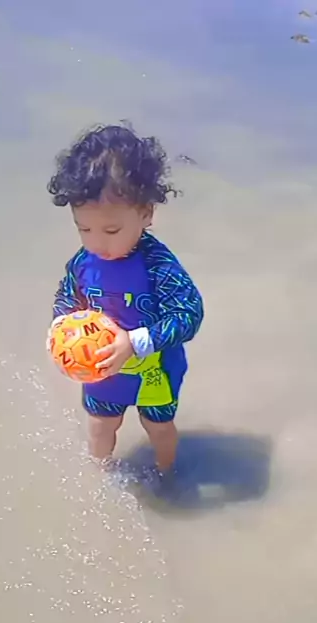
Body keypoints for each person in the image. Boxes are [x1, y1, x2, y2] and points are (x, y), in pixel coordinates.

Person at [46, 123, 204, 477]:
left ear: (146, 213)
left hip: (155, 372)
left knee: (158, 428)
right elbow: (67, 297)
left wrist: (135, 342)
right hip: (102, 371)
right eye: (84, 229)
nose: (97, 242)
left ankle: (166, 474)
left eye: (111, 230)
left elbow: (189, 314)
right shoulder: (83, 262)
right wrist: (60, 326)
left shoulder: (157, 265)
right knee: (100, 426)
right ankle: (100, 478)